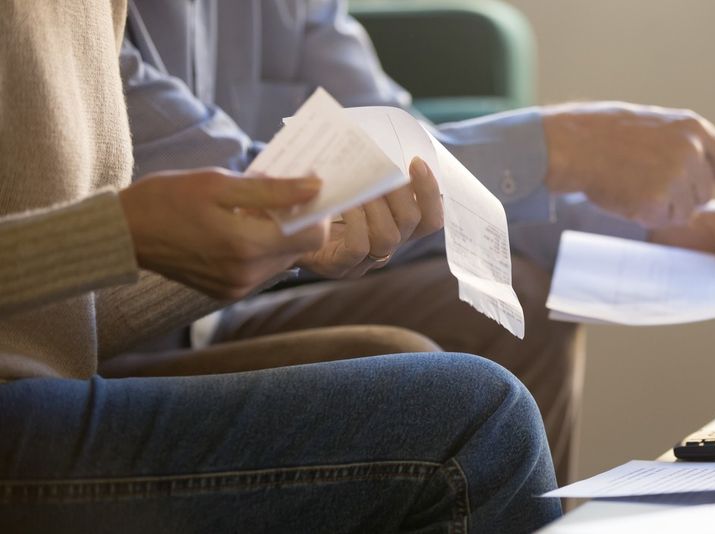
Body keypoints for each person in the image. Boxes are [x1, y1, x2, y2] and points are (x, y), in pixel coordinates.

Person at [113, 0, 715, 484]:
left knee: (517, 304)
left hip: (219, 317)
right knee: (428, 382)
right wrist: (561, 145)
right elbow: (230, 204)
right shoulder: (80, 23)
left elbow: (400, 163)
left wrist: (643, 220)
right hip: (112, 335)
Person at [0, 1, 560, 531]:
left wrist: (285, 247)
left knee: (462, 364)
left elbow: (64, 317)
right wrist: (118, 236)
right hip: (32, 410)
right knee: (474, 419)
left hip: (56, 390)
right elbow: (116, 239)